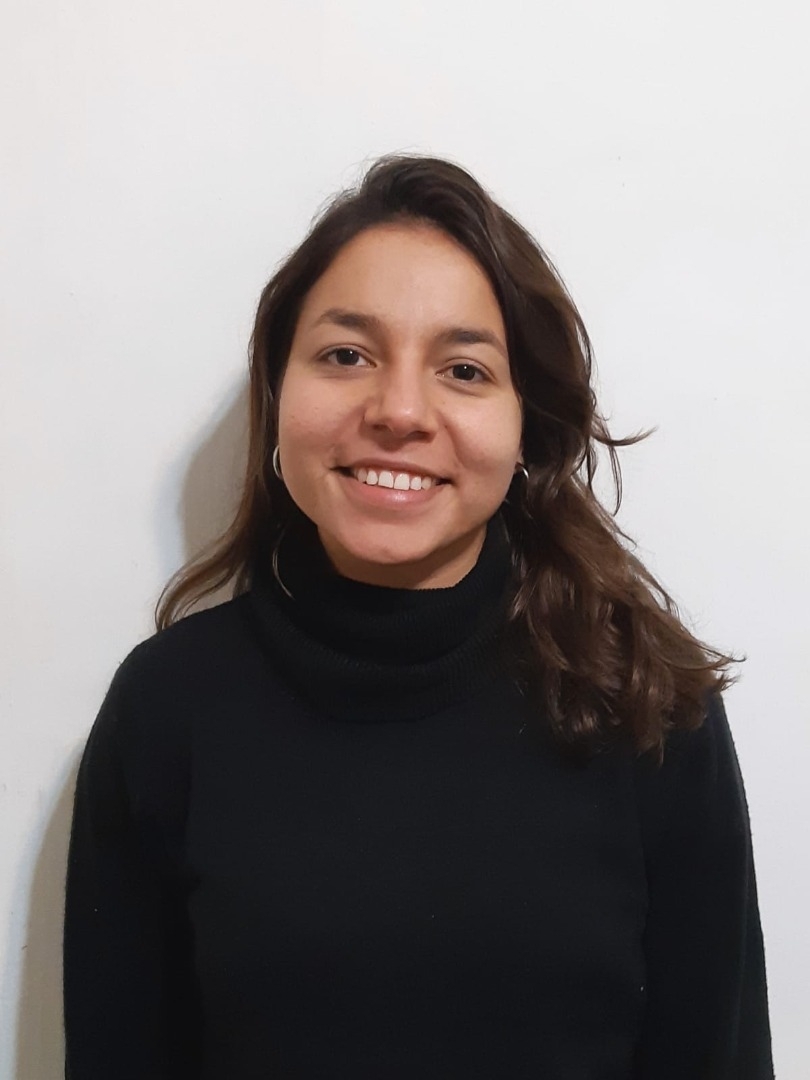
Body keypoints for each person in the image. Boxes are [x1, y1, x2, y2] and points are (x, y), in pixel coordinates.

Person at [62, 154, 774, 1079]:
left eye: (464, 369)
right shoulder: (167, 709)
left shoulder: (643, 703)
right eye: (345, 355)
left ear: (526, 424)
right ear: (279, 390)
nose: (399, 411)